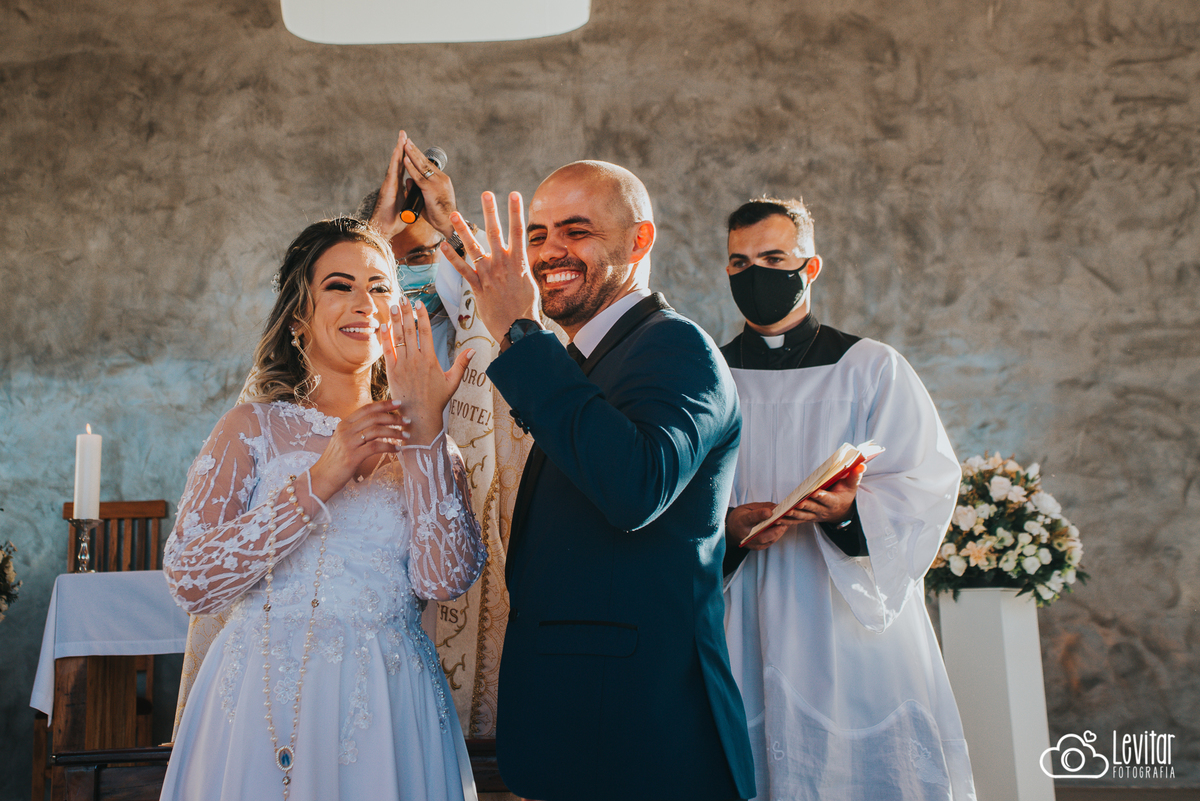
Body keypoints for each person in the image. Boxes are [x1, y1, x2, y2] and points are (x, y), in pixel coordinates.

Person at [440, 162, 757, 801]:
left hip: (643, 736)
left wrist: (518, 332)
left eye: (576, 231)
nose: (549, 251)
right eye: (537, 235)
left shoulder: (676, 349)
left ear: (639, 242)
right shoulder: (589, 361)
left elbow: (633, 487)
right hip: (583, 729)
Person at [160, 216, 488, 801]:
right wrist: (324, 474)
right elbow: (192, 581)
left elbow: (446, 578)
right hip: (261, 701)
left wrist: (426, 439)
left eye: (381, 286)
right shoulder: (251, 428)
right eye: (340, 285)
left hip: (389, 702)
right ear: (298, 316)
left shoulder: (429, 437)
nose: (366, 303)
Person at [719, 198, 976, 801]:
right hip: (743, 606)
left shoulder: (872, 368)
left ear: (809, 268)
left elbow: (926, 479)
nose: (755, 273)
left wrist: (852, 513)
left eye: (773, 257)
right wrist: (728, 527)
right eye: (739, 262)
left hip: (843, 611)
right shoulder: (711, 374)